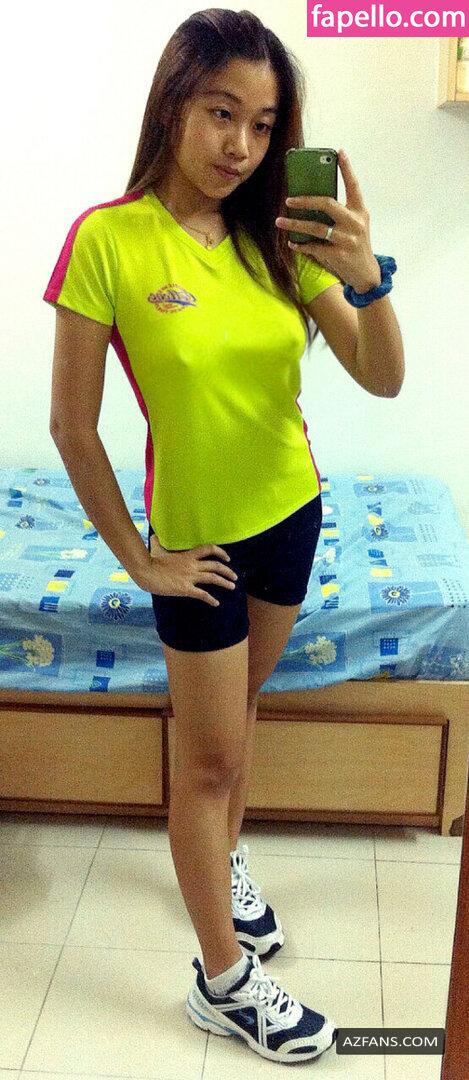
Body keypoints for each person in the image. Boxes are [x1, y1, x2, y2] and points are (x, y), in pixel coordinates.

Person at [44, 6, 401, 1064]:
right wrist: (137, 558)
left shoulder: (280, 236)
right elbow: (72, 426)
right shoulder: (108, 239)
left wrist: (366, 274)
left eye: (263, 123)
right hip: (197, 548)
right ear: (172, 106)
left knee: (235, 721)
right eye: (219, 112)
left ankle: (223, 859)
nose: (241, 144)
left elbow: (380, 377)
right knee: (205, 767)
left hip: (292, 515)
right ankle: (223, 982)